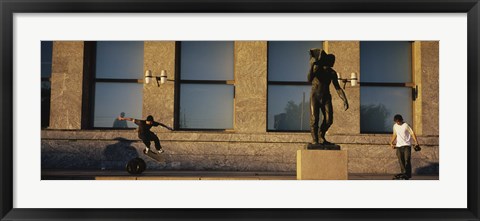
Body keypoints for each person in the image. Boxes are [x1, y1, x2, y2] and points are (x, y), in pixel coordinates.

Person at [308, 49, 349, 144]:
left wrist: (345, 100)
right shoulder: (317, 68)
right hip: (315, 96)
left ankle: (321, 135)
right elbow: (309, 79)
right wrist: (312, 65)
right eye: (332, 60)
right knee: (314, 119)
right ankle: (315, 140)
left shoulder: (332, 73)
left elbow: (338, 88)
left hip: (326, 97)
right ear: (327, 60)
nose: (333, 62)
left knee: (329, 120)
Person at [389, 114, 420, 180]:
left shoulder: (406, 125)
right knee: (401, 161)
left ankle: (407, 174)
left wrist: (416, 142)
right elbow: (395, 134)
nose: (398, 123)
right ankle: (404, 173)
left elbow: (412, 133)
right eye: (396, 121)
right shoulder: (395, 126)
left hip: (407, 145)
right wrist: (391, 142)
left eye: (399, 121)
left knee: (407, 160)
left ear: (401, 120)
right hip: (398, 146)